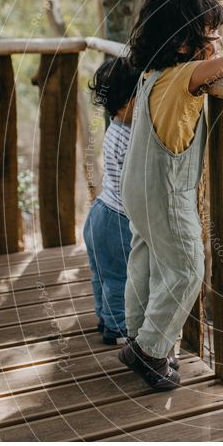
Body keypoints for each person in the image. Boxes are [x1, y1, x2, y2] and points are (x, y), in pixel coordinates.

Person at [118, 0, 223, 391]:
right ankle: (149, 350)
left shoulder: (150, 75)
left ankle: (136, 332)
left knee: (144, 258)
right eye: (210, 34)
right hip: (166, 191)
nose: (216, 43)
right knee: (187, 268)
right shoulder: (183, 77)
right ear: (182, 42)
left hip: (137, 188)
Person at [83, 56, 139, 346]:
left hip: (99, 212)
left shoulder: (114, 128)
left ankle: (103, 316)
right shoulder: (131, 136)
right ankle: (116, 329)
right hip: (117, 219)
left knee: (101, 273)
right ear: (126, 102)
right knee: (119, 278)